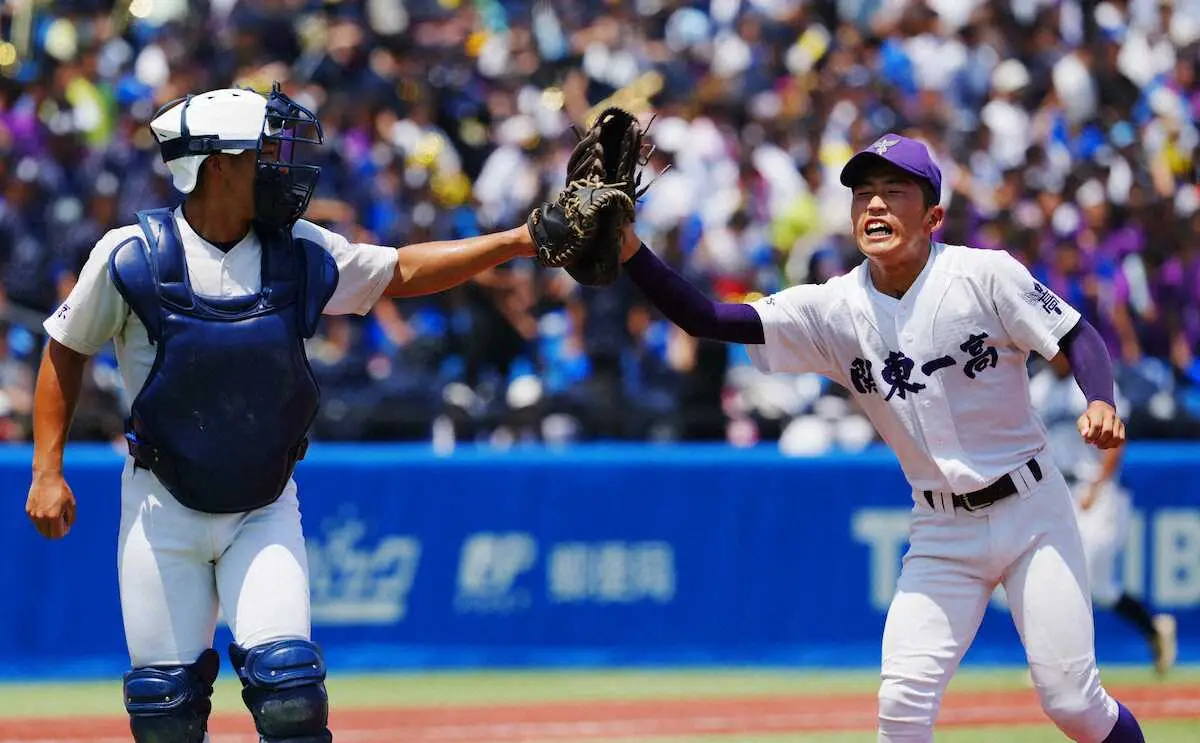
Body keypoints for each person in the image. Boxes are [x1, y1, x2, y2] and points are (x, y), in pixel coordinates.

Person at [24, 84, 536, 743]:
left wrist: (520, 239)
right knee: (165, 715)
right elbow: (65, 349)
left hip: (262, 506)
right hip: (161, 512)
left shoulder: (297, 249)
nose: (282, 167)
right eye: (263, 153)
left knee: (290, 694)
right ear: (215, 166)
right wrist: (46, 469)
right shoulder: (130, 257)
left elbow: (400, 270)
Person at [613, 133, 1147, 742]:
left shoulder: (985, 276)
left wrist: (1100, 399)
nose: (874, 206)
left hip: (1032, 510)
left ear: (934, 216)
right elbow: (708, 318)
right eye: (863, 194)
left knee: (1072, 703)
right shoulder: (832, 308)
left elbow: (1077, 335)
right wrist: (631, 249)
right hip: (942, 529)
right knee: (901, 703)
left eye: (895, 193)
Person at [1030, 357, 1177, 676]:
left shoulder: (1093, 381)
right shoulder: (1038, 388)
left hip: (1099, 488)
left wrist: (1097, 486)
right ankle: (1152, 627)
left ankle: (1064, 662)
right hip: (1060, 488)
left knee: (1085, 578)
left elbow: (1115, 439)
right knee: (1090, 584)